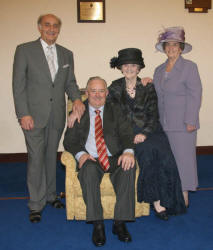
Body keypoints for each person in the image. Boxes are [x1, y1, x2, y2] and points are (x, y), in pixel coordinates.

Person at [12, 14, 85, 223]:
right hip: (32, 115)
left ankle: (51, 195)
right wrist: (23, 113)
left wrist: (77, 100)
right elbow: (18, 86)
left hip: (57, 114)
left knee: (51, 155)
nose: (51, 29)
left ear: (59, 29)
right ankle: (36, 204)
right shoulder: (24, 50)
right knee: (36, 158)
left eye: (55, 26)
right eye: (47, 25)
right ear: (39, 27)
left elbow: (70, 82)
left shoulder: (66, 54)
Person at [109, 48, 186, 221]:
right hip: (127, 134)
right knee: (148, 153)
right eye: (126, 65)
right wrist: (79, 108)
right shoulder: (114, 87)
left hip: (151, 130)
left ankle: (169, 200)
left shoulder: (147, 86)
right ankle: (157, 201)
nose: (129, 68)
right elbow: (97, 101)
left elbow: (153, 114)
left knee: (165, 154)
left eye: (133, 65)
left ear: (139, 69)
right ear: (121, 68)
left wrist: (144, 133)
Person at [63, 77, 135, 246]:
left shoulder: (116, 109)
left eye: (101, 91)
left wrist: (128, 152)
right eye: (93, 91)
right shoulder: (77, 112)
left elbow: (126, 133)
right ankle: (98, 224)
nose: (97, 95)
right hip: (92, 158)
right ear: (86, 93)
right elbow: (69, 141)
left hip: (114, 156)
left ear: (106, 93)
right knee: (87, 170)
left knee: (129, 167)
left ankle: (119, 222)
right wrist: (81, 155)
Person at [153, 27, 202, 207]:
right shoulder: (158, 70)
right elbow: (158, 93)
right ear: (164, 48)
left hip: (183, 123)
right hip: (163, 123)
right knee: (167, 160)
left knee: (184, 160)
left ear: (181, 47)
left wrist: (191, 120)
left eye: (175, 45)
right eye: (168, 45)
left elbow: (196, 94)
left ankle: (184, 195)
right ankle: (168, 191)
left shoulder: (189, 67)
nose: (171, 48)